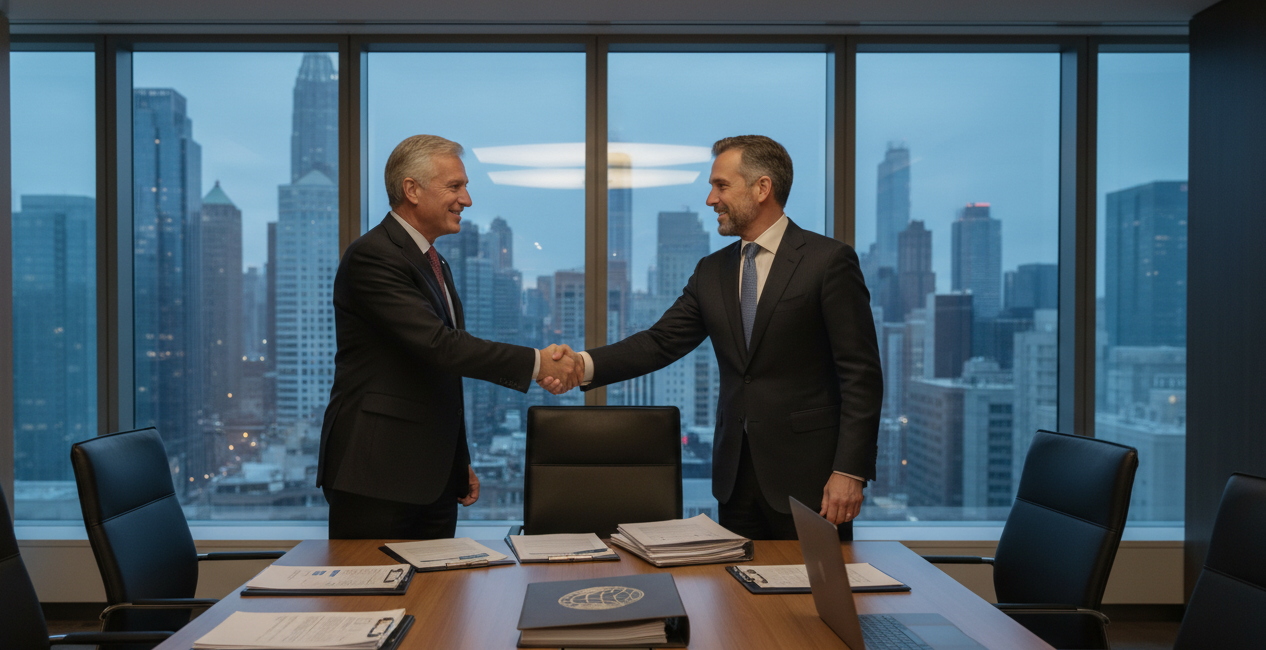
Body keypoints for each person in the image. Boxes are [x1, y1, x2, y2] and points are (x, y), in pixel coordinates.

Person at [564, 135, 882, 539]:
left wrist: (849, 470)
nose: (711, 199)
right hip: (735, 480)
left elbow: (861, 375)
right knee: (738, 596)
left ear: (762, 188)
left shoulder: (828, 261)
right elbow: (661, 341)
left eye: (721, 185)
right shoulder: (711, 270)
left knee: (810, 598)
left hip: (813, 482)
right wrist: (581, 365)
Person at [317, 134, 583, 539]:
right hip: (376, 475)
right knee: (370, 598)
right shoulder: (374, 256)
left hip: (431, 478)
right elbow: (439, 346)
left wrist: (457, 462)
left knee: (437, 598)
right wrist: (538, 363)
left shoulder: (433, 260)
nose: (467, 200)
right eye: (455, 186)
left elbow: (438, 376)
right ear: (412, 190)